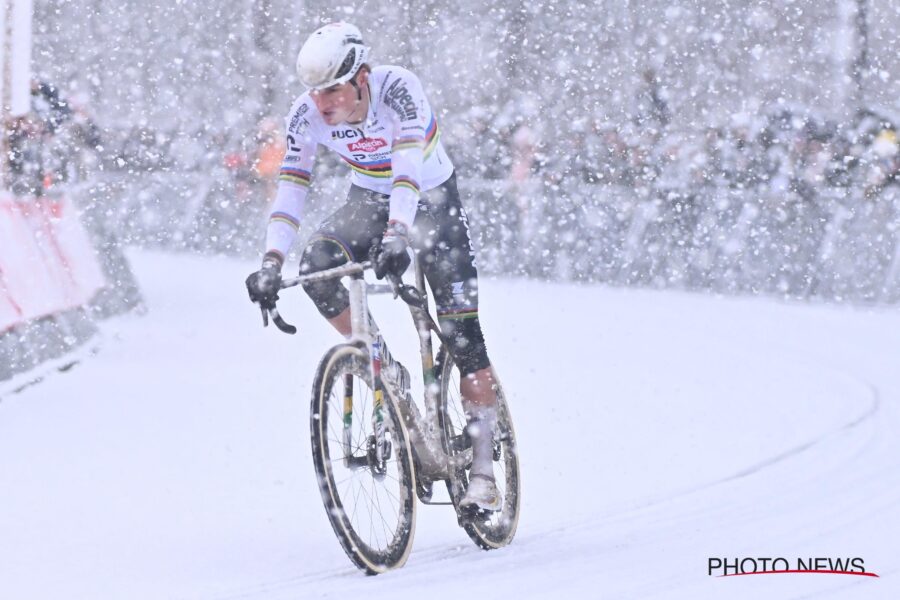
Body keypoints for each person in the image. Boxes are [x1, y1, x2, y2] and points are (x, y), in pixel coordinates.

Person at [245, 22, 503, 510]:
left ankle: (485, 468)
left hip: (431, 199)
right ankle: (382, 365)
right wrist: (271, 260)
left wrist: (398, 234)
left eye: (332, 91)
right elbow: (292, 185)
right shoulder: (306, 113)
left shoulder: (398, 89)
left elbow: (406, 170)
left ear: (361, 77)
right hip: (369, 197)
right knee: (317, 266)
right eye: (314, 92)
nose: (322, 103)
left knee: (463, 334)